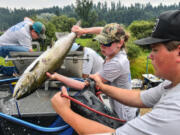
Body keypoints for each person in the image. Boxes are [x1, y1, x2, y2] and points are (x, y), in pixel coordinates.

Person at [50, 9, 180, 135]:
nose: (149, 56)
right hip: (128, 109)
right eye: (101, 42)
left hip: (124, 116)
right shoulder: (170, 84)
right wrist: (84, 31)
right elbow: (139, 97)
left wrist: (64, 110)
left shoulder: (173, 111)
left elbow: (113, 134)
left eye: (155, 50)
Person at [47, 23, 138, 121]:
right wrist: (84, 31)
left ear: (120, 43)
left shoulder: (116, 63)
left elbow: (83, 85)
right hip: (126, 106)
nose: (102, 46)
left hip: (124, 114)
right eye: (101, 42)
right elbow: (103, 30)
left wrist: (57, 76)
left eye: (106, 43)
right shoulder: (116, 50)